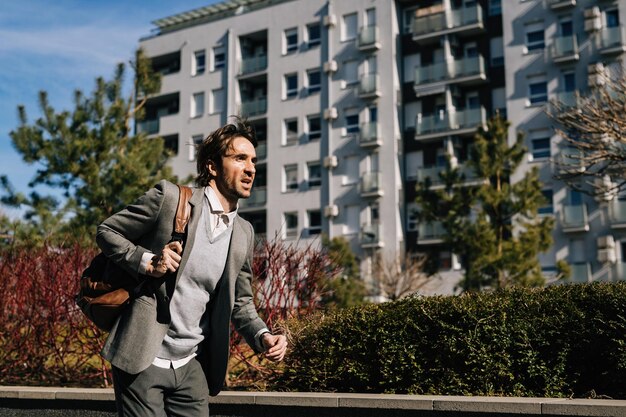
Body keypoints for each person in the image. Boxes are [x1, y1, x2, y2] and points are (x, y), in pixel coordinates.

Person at [96, 116, 287, 417]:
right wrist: (148, 262)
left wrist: (263, 336)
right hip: (143, 358)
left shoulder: (244, 233)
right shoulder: (170, 200)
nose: (250, 168)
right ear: (212, 166)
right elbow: (107, 231)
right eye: (239, 158)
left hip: (192, 367)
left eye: (253, 160)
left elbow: (242, 302)